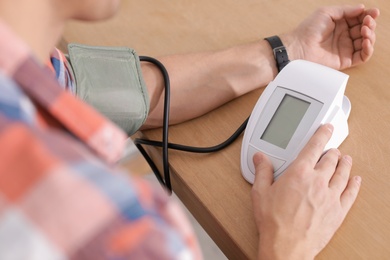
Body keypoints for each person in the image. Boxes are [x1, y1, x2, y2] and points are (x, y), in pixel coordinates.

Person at [0, 0, 379, 259]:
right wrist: (286, 243)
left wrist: (287, 51)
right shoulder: (120, 228)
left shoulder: (21, 66)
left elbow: (99, 91)